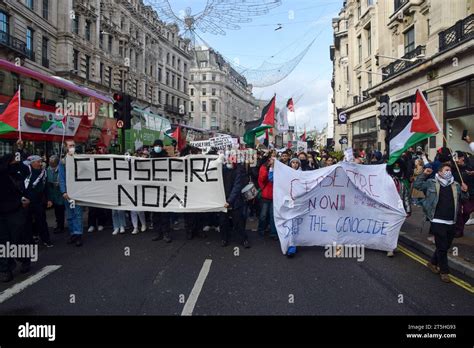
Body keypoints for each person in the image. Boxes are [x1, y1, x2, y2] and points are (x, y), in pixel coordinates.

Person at [414, 163, 469, 283]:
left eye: (450, 170)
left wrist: (465, 191)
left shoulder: (456, 185)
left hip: (451, 221)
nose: (448, 172)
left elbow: (464, 199)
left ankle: (432, 262)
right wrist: (424, 174)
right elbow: (417, 185)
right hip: (437, 220)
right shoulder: (431, 183)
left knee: (444, 246)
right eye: (446, 170)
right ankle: (444, 272)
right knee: (443, 248)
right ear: (439, 172)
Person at [0, 153, 32, 282]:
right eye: (14, 162)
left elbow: (25, 170)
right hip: (2, 213)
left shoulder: (16, 174)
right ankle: (5, 269)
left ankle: (24, 260)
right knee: (2, 241)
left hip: (16, 211)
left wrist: (20, 150)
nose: (16, 164)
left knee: (17, 238)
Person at [59, 139, 84, 247]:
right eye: (70, 145)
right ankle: (73, 233)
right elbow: (61, 178)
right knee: (70, 214)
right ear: (65, 147)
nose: (72, 147)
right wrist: (63, 191)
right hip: (68, 193)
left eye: (73, 145)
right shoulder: (62, 161)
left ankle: (78, 234)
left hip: (77, 192)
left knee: (77, 213)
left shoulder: (79, 159)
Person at [24, 155, 53, 247]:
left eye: (41, 161)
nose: (40, 163)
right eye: (38, 162)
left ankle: (46, 240)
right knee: (27, 222)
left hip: (38, 201)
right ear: (32, 162)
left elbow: (46, 187)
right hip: (26, 201)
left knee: (41, 221)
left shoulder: (43, 172)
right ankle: (30, 240)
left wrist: (49, 199)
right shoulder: (26, 171)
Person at [219, 161, 250, 248]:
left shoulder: (238, 171)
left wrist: (229, 201)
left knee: (238, 222)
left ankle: (244, 239)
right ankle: (224, 239)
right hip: (223, 201)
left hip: (234, 202)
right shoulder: (221, 170)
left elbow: (237, 186)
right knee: (223, 222)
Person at [386, 160, 412, 257]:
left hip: (399, 208)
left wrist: (408, 209)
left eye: (398, 167)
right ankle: (389, 248)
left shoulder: (403, 183)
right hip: (388, 207)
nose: (397, 169)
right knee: (390, 228)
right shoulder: (387, 182)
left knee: (396, 228)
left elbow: (406, 197)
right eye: (395, 167)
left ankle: (393, 245)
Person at [150, 139, 172, 243]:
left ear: (162, 147)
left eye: (159, 145)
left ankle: (166, 233)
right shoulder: (149, 158)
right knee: (155, 215)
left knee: (165, 215)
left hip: (164, 189)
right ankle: (157, 233)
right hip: (154, 189)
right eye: (156, 145)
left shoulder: (167, 158)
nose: (157, 147)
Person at [453, 151, 474, 238]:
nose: (456, 161)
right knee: (459, 213)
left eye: (457, 158)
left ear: (462, 158)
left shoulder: (470, 166)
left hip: (471, 193)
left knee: (467, 211)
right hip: (459, 195)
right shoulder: (453, 168)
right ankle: (459, 230)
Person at [257, 155, 277, 240]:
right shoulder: (263, 167)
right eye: (270, 160)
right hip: (265, 195)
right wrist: (269, 168)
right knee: (263, 215)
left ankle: (273, 232)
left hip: (275, 196)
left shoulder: (278, 169)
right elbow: (262, 179)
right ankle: (261, 230)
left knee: (273, 216)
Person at [46, 155, 65, 234]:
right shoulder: (48, 169)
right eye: (50, 163)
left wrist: (60, 183)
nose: (51, 165)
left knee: (60, 210)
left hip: (60, 193)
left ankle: (60, 226)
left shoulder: (62, 169)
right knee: (56, 210)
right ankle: (59, 224)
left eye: (53, 163)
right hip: (52, 192)